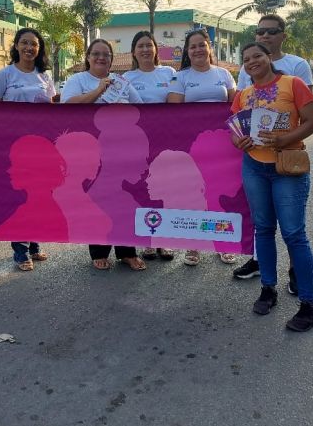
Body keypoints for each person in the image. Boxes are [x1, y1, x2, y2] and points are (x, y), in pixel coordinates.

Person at [231, 42, 313, 332]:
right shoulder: (243, 94)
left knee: (294, 235)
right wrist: (240, 142)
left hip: (287, 167)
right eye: (246, 60)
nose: (252, 61)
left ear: (269, 57)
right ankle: (268, 289)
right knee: (263, 229)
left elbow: (312, 122)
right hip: (254, 167)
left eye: (257, 55)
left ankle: (309, 305)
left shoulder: (293, 84)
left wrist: (285, 139)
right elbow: (234, 130)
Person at [61, 39, 146, 271]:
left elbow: (143, 110)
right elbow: (68, 105)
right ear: (88, 57)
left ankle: (127, 251)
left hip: (122, 149)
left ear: (112, 58)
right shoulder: (77, 80)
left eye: (106, 54)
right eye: (96, 54)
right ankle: (99, 251)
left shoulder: (123, 82)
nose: (101, 58)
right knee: (98, 199)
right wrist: (99, 90)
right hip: (90, 151)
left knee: (126, 199)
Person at [167, 28, 238, 266]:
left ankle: (223, 243)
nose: (198, 49)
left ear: (210, 48)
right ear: (188, 52)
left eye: (201, 45)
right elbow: (174, 112)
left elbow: (234, 108)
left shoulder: (225, 75)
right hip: (191, 145)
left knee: (218, 194)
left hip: (221, 145)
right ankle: (193, 246)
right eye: (193, 46)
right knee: (192, 195)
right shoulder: (181, 77)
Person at [0, 27, 56, 271]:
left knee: (38, 196)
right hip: (14, 146)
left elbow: (52, 109)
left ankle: (35, 244)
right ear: (16, 46)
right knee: (19, 197)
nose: (29, 48)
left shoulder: (44, 77)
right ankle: (20, 251)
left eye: (34, 44)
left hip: (39, 146)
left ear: (39, 49)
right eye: (25, 43)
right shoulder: (5, 74)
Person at [123, 30, 176, 261]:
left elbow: (177, 106)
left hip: (165, 140)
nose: (145, 49)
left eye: (149, 45)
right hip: (137, 142)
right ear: (134, 52)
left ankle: (163, 240)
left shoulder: (169, 72)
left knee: (165, 189)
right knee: (142, 189)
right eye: (140, 46)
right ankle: (146, 239)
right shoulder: (126, 78)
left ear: (155, 49)